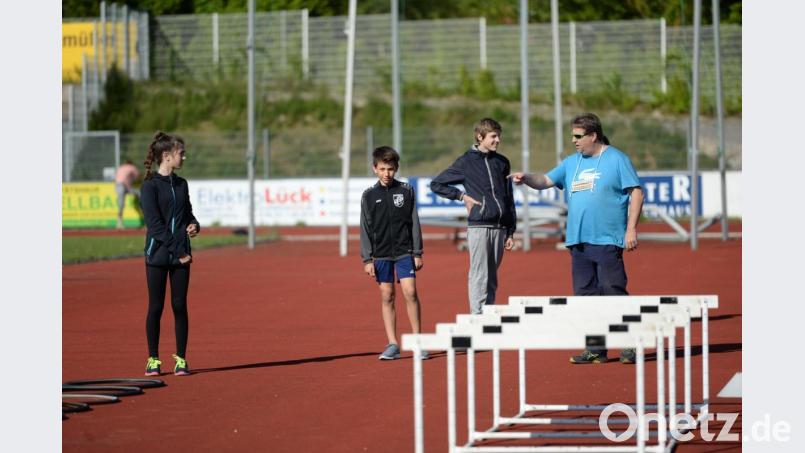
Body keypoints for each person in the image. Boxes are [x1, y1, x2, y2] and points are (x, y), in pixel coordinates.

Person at [509, 112, 644, 364]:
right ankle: (596, 348)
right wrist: (526, 178)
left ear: (594, 136)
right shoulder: (572, 163)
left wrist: (631, 229)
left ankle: (629, 344)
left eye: (578, 136)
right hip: (578, 241)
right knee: (586, 297)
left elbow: (636, 193)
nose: (574, 140)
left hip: (608, 239)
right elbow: (546, 180)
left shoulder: (616, 159)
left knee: (613, 291)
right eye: (573, 135)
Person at [430, 118, 516, 315]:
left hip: (500, 228)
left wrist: (510, 231)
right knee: (480, 275)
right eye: (493, 136)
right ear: (480, 137)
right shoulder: (466, 162)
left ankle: (488, 318)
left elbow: (508, 198)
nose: (498, 140)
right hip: (479, 226)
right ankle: (476, 320)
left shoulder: (502, 163)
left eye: (499, 136)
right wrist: (461, 196)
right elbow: (437, 184)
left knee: (492, 277)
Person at [140, 131, 201, 376]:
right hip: (157, 256)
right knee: (155, 307)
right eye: (181, 153)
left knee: (179, 306)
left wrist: (195, 225)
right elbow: (155, 227)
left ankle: (181, 359)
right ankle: (153, 359)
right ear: (166, 156)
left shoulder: (182, 183)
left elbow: (188, 213)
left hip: (180, 256)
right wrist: (178, 251)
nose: (184, 157)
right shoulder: (149, 186)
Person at [360, 146, 428, 360]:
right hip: (380, 255)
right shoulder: (369, 195)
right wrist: (367, 258)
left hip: (404, 251)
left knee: (410, 291)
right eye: (382, 169)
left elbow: (414, 223)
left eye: (390, 168)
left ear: (396, 168)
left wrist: (417, 252)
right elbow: (365, 227)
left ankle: (418, 342)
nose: (386, 173)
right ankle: (392, 344)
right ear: (374, 169)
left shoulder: (406, 191)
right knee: (387, 295)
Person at [115, 159, 140, 229]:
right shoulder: (132, 167)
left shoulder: (121, 167)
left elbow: (117, 177)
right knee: (140, 193)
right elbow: (138, 176)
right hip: (124, 186)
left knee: (121, 205)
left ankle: (119, 222)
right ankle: (143, 204)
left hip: (119, 185)